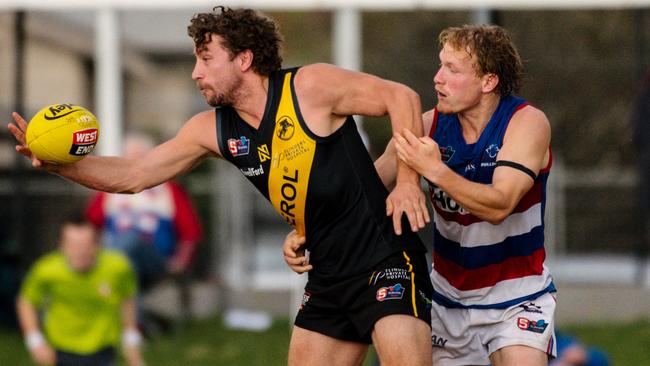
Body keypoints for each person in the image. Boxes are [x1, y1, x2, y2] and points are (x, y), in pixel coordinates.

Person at [8, 6, 434, 366]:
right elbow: (134, 176)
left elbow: (402, 99)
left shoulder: (310, 87)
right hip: (327, 275)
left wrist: (408, 182)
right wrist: (58, 166)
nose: (195, 72)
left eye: (206, 59)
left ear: (244, 59)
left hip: (384, 256)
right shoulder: (210, 129)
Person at [284, 24, 556, 366]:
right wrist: (305, 230)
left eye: (452, 70)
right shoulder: (428, 125)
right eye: (440, 65)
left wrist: (434, 169)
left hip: (518, 297)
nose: (437, 78)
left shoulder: (526, 123)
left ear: (488, 82)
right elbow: (364, 192)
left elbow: (500, 203)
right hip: (447, 297)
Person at [85, 132, 203, 333]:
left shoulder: (170, 190)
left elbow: (191, 233)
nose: (135, 165)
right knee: (124, 262)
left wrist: (181, 262)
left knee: (128, 242)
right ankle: (140, 326)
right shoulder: (110, 191)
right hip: (117, 256)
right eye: (130, 159)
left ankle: (118, 323)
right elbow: (88, 224)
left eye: (141, 159)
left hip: (155, 258)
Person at [16, 215, 143, 366]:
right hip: (61, 348)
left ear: (97, 245)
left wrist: (130, 339)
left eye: (86, 245)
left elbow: (127, 299)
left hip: (103, 348)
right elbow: (26, 301)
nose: (80, 252)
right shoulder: (46, 271)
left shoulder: (117, 267)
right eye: (74, 245)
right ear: (61, 245)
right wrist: (35, 341)